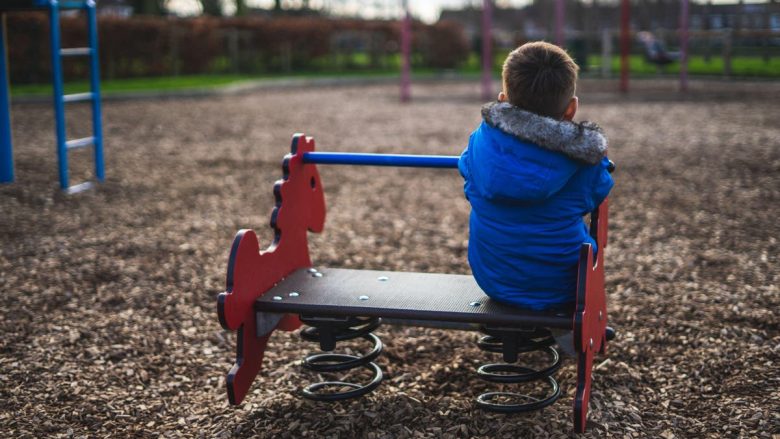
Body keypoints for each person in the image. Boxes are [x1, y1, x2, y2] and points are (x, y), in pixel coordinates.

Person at [458, 41, 614, 314]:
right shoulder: (582, 160)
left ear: (503, 100)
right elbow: (598, 191)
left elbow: (465, 168)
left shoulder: (479, 143)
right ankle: (569, 337)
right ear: (571, 109)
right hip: (564, 286)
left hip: (494, 280)